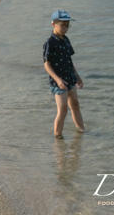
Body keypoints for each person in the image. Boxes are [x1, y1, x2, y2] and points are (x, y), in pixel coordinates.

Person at [43, 9, 85, 138]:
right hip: (58, 82)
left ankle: (81, 131)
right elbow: (46, 64)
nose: (65, 28)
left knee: (75, 105)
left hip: (70, 78)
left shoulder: (66, 40)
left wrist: (77, 76)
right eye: (62, 25)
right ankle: (58, 137)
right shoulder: (50, 43)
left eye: (67, 25)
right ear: (53, 24)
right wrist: (58, 80)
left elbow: (69, 60)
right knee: (63, 110)